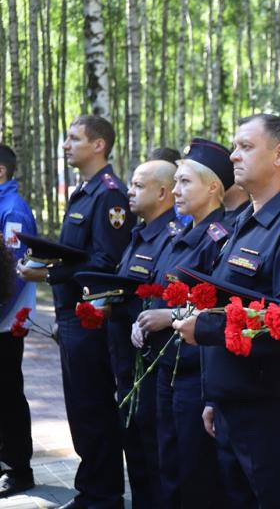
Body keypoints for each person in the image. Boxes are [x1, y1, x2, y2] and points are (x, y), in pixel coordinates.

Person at [172, 114, 280, 507]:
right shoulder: (245, 221)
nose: (233, 156)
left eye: (245, 147)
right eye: (234, 146)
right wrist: (216, 397)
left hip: (276, 413)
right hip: (236, 405)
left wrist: (206, 329)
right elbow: (233, 298)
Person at [17, 115, 135, 509]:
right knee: (81, 410)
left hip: (91, 315)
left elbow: (105, 261)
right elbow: (80, 252)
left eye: (74, 138)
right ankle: (91, 491)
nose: (65, 145)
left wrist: (48, 272)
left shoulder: (110, 194)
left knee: (94, 407)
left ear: (99, 145)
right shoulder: (83, 192)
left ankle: (103, 496)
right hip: (72, 314)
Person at [134, 139, 232, 508]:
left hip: (195, 371)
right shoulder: (178, 235)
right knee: (167, 463)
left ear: (212, 187)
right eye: (174, 182)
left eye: (185, 182)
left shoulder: (221, 238)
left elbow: (221, 306)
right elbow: (159, 290)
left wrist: (169, 317)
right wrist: (145, 317)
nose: (175, 190)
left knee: (195, 472)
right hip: (165, 367)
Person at [104, 159, 180, 508]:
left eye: (137, 185)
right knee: (133, 448)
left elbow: (164, 300)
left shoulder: (172, 238)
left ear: (163, 191)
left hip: (150, 366)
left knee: (154, 452)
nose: (129, 191)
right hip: (125, 362)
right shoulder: (139, 233)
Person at [0, 144, 37, 499]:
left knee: (7, 392)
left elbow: (13, 272)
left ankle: (18, 469)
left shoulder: (13, 210)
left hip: (5, 320)